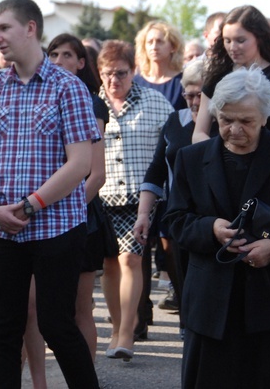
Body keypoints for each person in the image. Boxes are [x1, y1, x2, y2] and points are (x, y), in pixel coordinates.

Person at [0, 0, 100, 388]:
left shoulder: (69, 87)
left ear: (30, 28)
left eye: (4, 28)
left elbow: (80, 164)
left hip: (56, 227)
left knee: (57, 325)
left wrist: (29, 206)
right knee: (3, 331)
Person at [164, 67, 270, 388]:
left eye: (246, 121)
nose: (235, 129)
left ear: (266, 116)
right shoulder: (191, 159)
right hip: (210, 309)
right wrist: (210, 229)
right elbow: (174, 221)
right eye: (225, 120)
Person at [97, 40, 173, 361]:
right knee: (109, 264)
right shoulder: (89, 105)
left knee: (130, 260)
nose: (114, 80)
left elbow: (172, 148)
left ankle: (127, 331)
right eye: (107, 74)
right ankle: (115, 327)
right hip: (100, 196)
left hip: (139, 197)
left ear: (134, 71)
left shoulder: (156, 103)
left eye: (121, 73)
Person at [134, 60, 204, 321]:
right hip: (179, 219)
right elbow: (156, 171)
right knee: (184, 289)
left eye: (200, 95)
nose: (194, 101)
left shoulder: (224, 122)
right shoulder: (175, 120)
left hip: (213, 218)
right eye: (189, 94)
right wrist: (143, 214)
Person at [192, 5, 270, 143]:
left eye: (240, 40)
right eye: (227, 40)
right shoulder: (216, 76)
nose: (232, 48)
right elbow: (198, 133)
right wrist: (218, 158)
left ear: (259, 38)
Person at [133, 21, 187, 110]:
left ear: (173, 47)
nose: (154, 47)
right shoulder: (135, 82)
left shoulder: (183, 82)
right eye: (150, 42)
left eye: (160, 42)